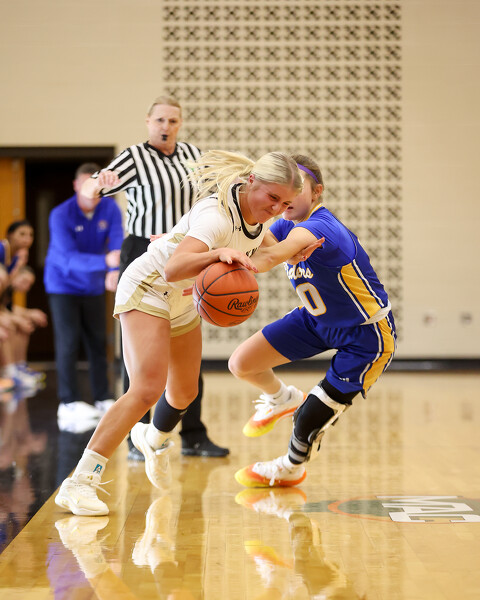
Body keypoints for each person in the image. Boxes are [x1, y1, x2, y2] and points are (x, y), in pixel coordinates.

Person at [55, 149, 320, 516]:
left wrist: (296, 252)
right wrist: (217, 254)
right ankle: (79, 482)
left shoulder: (257, 217)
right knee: (146, 389)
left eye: (286, 204)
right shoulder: (216, 216)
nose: (277, 209)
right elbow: (174, 268)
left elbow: (268, 251)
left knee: (184, 391)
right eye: (273, 198)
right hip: (150, 286)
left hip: (182, 299)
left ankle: (152, 438)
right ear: (252, 181)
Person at [231, 154, 396, 488]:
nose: (286, 197)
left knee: (309, 417)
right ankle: (282, 398)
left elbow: (267, 258)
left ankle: (291, 467)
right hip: (316, 321)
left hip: (365, 334)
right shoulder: (284, 224)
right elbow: (251, 241)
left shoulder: (322, 227)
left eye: (297, 188)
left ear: (317, 192)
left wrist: (209, 258)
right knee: (242, 364)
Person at [81, 95, 228, 459]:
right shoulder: (133, 157)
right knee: (139, 356)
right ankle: (137, 435)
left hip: (183, 248)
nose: (166, 126)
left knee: (188, 349)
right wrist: (97, 183)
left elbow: (216, 197)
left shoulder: (193, 156)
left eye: (173, 121)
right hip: (142, 250)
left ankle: (193, 435)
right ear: (148, 122)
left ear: (180, 124)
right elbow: (89, 190)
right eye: (160, 120)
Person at [44, 163, 124, 432]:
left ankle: (102, 397)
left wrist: (114, 270)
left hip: (93, 286)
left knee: (98, 342)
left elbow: (116, 241)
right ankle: (68, 402)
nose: (92, 190)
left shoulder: (110, 208)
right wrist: (106, 262)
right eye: (86, 184)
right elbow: (67, 258)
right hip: (63, 284)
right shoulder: (60, 214)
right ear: (76, 186)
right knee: (68, 342)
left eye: (97, 185)